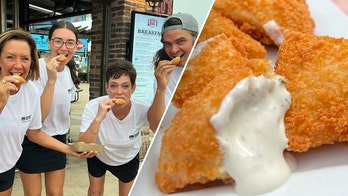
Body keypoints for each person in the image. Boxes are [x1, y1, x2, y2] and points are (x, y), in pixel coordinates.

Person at [0, 28, 93, 196]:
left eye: (25, 58)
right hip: (29, 149)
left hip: (8, 165)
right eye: (10, 57)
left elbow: (34, 131)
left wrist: (69, 149)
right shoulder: (41, 73)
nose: (18, 65)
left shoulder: (29, 91)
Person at [78, 60, 162, 196]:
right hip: (99, 155)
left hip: (127, 157)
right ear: (106, 87)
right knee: (95, 192)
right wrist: (98, 118)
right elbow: (82, 146)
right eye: (113, 86)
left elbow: (157, 128)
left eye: (125, 86)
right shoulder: (93, 107)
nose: (119, 92)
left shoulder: (142, 109)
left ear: (133, 88)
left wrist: (161, 89)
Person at [147, 13, 199, 132]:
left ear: (196, 38)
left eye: (180, 41)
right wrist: (161, 88)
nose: (174, 50)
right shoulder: (166, 74)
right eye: (167, 44)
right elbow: (156, 127)